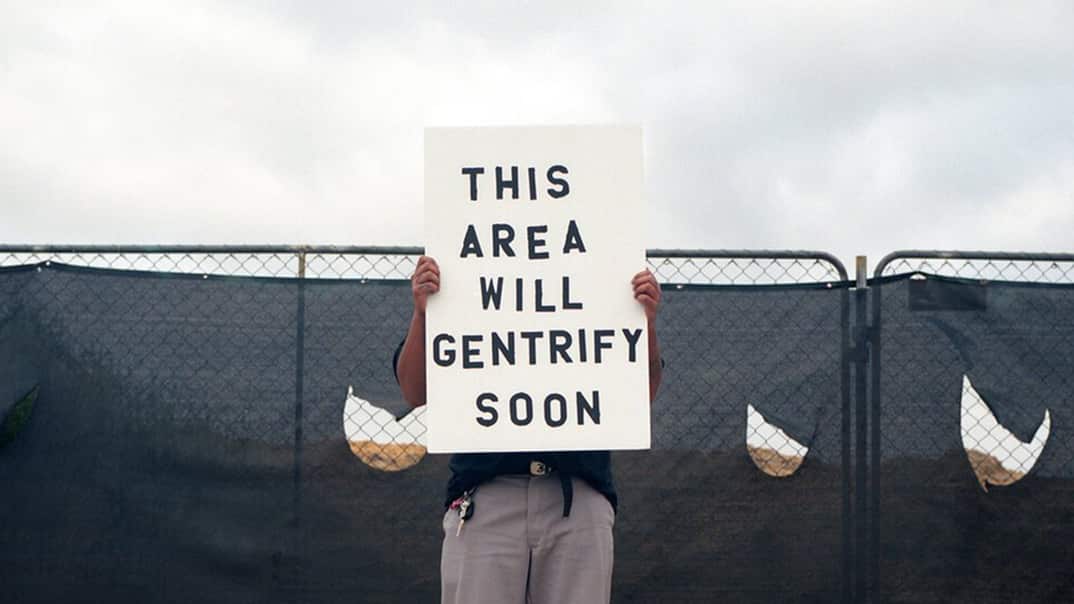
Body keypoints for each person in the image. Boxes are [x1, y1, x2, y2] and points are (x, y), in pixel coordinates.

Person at [394, 255, 662, 604]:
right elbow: (414, 392)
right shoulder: (464, 281)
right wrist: (423, 312)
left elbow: (642, 395)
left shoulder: (597, 279)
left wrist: (645, 322)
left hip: (578, 497)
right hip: (486, 497)